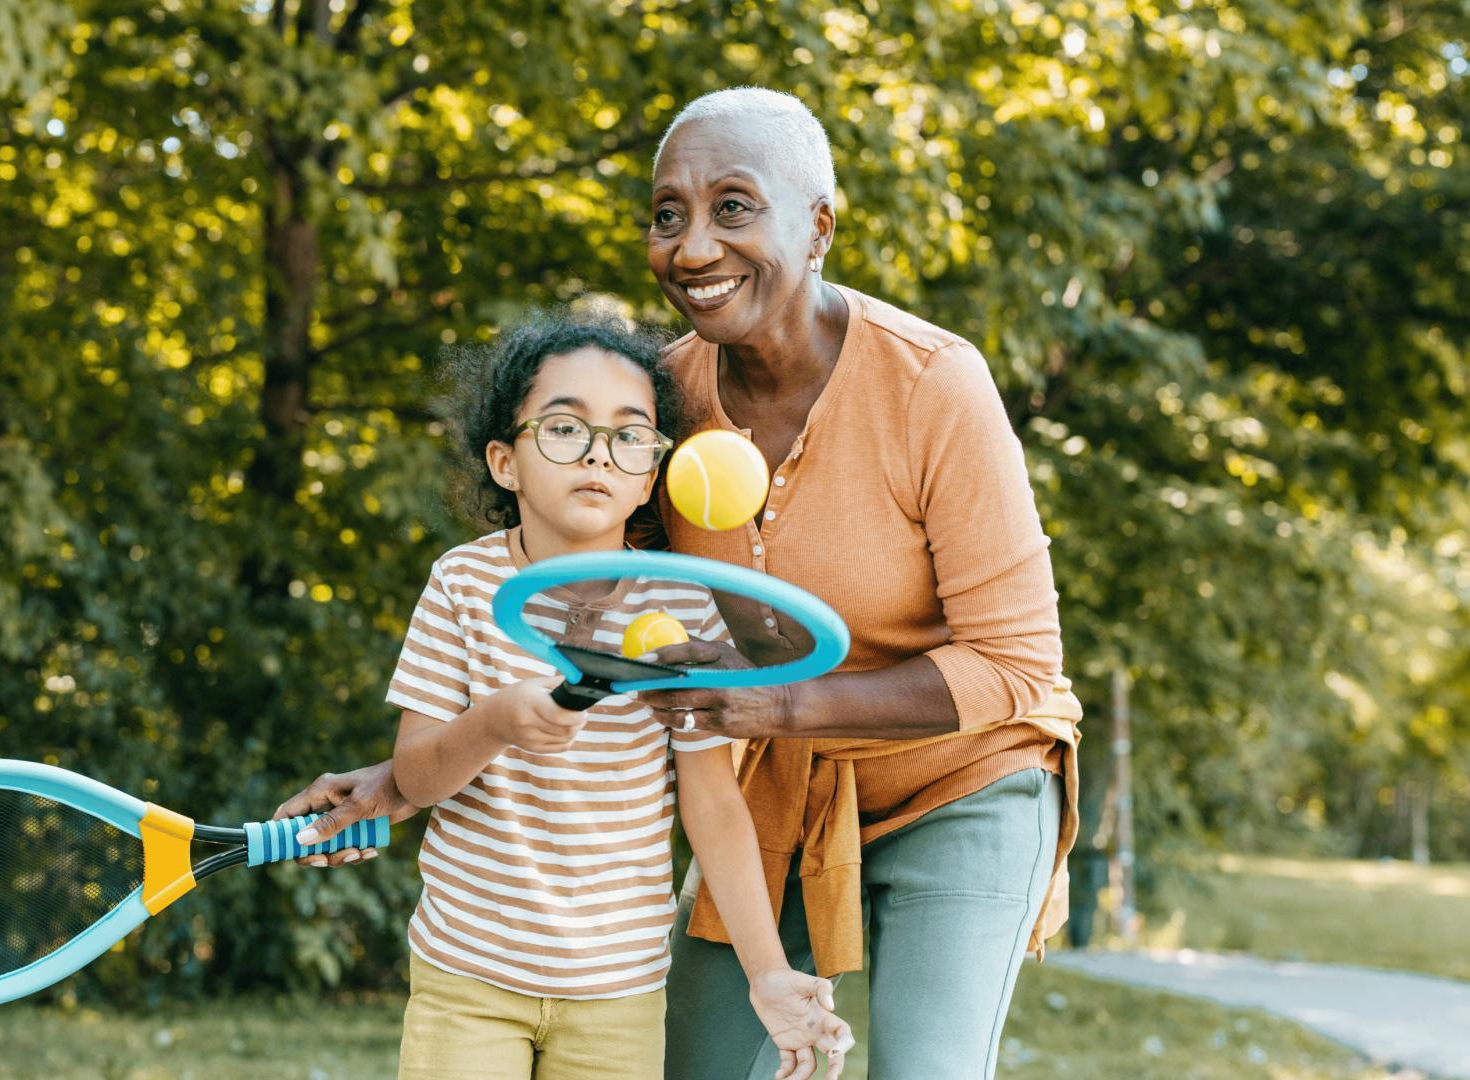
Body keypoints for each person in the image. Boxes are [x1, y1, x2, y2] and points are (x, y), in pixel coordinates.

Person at [281, 88, 1082, 1079]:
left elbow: (1016, 665)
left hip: (959, 781)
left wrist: (781, 702)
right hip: (775, 792)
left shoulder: (933, 384)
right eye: (669, 215)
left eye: (732, 207)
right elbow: (589, 623)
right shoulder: (653, 406)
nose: (692, 246)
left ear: (819, 224)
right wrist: (400, 785)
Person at [367, 310, 849, 1080]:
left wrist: (766, 973)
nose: (598, 454)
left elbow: (713, 804)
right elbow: (415, 780)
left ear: (651, 475)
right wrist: (492, 723)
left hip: (619, 993)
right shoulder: (461, 584)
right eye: (564, 429)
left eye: (629, 436)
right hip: (469, 975)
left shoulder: (684, 605)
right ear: (504, 461)